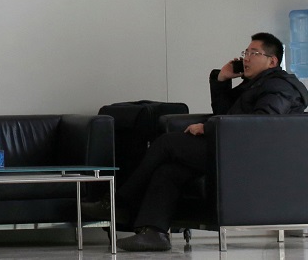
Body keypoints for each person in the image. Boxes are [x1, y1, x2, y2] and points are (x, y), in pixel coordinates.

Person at [103, 32, 308, 252]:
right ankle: (155, 233)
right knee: (170, 171)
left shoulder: (279, 87)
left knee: (167, 144)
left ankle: (119, 203)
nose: (246, 58)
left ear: (272, 61)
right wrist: (221, 80)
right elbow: (225, 114)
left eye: (254, 53)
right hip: (231, 149)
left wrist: (208, 127)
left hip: (251, 157)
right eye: (245, 52)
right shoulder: (257, 84)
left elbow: (261, 123)